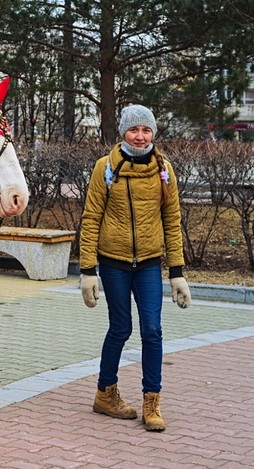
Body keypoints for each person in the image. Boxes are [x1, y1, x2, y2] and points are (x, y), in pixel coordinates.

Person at [79, 104, 191, 432]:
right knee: (120, 329)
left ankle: (151, 401)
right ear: (123, 132)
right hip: (113, 263)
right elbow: (90, 218)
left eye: (146, 131)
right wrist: (87, 271)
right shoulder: (105, 168)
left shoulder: (163, 171)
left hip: (148, 265)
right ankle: (105, 394)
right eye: (133, 130)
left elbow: (172, 220)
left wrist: (177, 272)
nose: (140, 137)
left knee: (153, 331)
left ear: (153, 134)